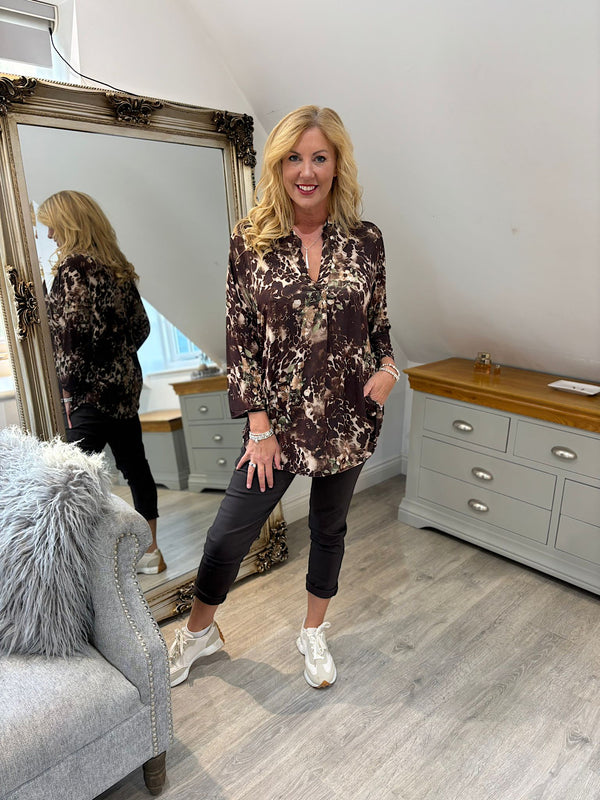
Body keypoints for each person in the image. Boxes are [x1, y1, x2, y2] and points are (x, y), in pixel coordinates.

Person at [169, 105, 399, 689]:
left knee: (328, 530)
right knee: (228, 535)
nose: (306, 171)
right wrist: (260, 427)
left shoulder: (366, 241)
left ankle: (313, 632)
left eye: (319, 157)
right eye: (294, 158)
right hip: (277, 426)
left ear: (337, 164)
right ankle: (197, 634)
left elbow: (378, 324)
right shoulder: (250, 243)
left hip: (348, 418)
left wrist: (389, 369)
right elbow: (241, 340)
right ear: (277, 165)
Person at [37, 190, 165, 574]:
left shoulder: (74, 268)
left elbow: (72, 336)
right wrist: (117, 358)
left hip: (89, 394)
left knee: (69, 481)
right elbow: (141, 328)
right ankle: (151, 552)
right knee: (135, 467)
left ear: (69, 223)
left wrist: (68, 386)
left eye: (51, 226)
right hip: (123, 390)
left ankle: (76, 567)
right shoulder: (116, 267)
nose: (49, 235)